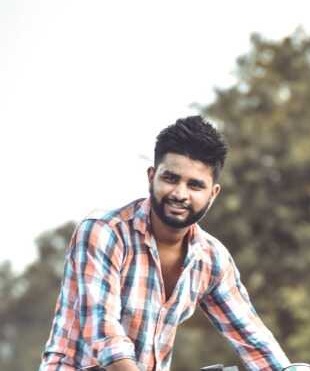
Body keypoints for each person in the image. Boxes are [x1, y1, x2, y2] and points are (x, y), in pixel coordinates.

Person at [40, 116, 291, 371]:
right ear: (152, 177)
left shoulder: (212, 258)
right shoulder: (104, 232)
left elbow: (253, 339)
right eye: (170, 178)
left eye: (195, 185)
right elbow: (105, 336)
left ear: (213, 194)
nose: (180, 194)